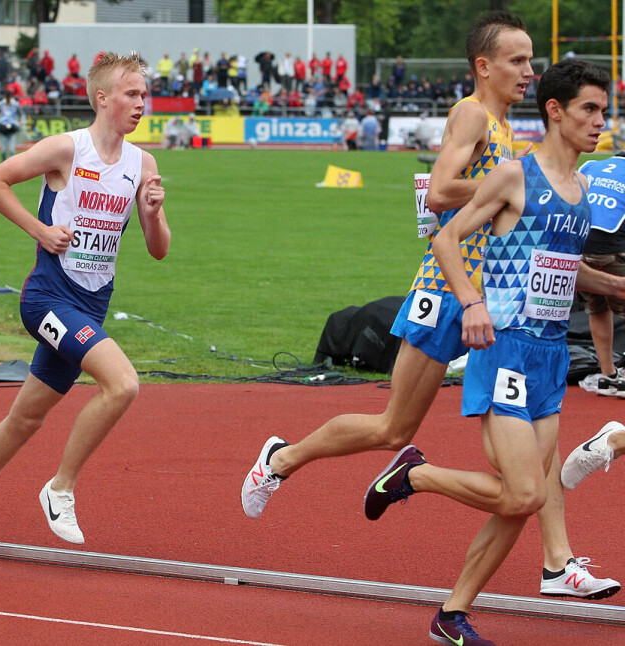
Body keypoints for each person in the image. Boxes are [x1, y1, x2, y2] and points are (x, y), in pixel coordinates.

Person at [240, 10, 620, 611]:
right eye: (517, 60)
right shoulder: (474, 115)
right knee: (394, 428)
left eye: (530, 61)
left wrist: (525, 189)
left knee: (536, 444)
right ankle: (281, 458)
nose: (529, 71)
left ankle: (557, 562)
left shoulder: (510, 135)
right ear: (483, 66)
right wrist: (514, 186)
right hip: (448, 292)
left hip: (496, 294)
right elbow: (442, 190)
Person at [369, 58, 615, 646]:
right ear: (555, 111)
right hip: (504, 347)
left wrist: (618, 287)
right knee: (528, 492)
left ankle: (450, 614)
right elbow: (447, 235)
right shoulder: (513, 176)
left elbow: (563, 268)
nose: (600, 121)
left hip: (551, 357)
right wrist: (472, 303)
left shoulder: (580, 190)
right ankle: (418, 474)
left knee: (515, 502)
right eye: (589, 109)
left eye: (604, 110)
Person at [0, 52, 169, 564]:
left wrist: (152, 214)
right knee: (122, 383)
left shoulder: (143, 164)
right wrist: (39, 231)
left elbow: (158, 247)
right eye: (132, 94)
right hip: (47, 299)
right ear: (102, 98)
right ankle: (60, 488)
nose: (141, 104)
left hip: (92, 303)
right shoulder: (66, 149)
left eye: (145, 96)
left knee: (24, 419)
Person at [575, 152, 625, 396]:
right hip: (614, 247)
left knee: (598, 308)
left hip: (580, 248)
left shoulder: (591, 165)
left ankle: (609, 375)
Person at [0, 90, 26, 161]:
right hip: (2, 127)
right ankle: (3, 165)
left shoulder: (15, 104)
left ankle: (11, 166)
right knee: (3, 150)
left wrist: (21, 121)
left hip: (13, 127)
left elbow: (22, 114)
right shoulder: (0, 104)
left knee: (12, 150)